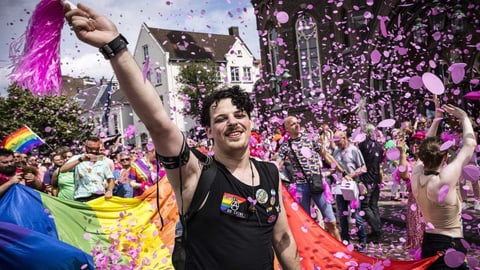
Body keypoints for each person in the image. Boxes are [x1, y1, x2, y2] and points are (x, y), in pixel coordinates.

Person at [64, 4, 300, 269]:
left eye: (239, 115)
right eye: (221, 119)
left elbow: (282, 238)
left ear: (250, 121)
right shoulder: (196, 173)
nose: (233, 122)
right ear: (209, 131)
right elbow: (159, 124)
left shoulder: (270, 173)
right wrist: (115, 46)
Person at [411, 104, 476, 269]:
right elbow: (470, 145)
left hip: (430, 243)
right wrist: (464, 117)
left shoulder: (416, 176)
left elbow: (425, 145)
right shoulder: (444, 180)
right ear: (445, 157)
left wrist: (437, 119)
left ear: (422, 155)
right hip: (449, 245)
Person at [276, 116, 341, 240]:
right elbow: (278, 163)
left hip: (317, 183)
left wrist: (342, 172)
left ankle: (341, 251)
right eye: (293, 124)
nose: (297, 125)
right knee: (305, 223)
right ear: (287, 128)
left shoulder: (310, 140)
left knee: (331, 222)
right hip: (301, 187)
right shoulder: (286, 146)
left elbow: (326, 155)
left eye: (297, 122)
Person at [331, 129, 367, 250]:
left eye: (338, 141)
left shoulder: (354, 150)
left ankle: (362, 242)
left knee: (356, 215)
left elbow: (363, 168)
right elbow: (334, 168)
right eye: (335, 142)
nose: (336, 144)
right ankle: (345, 240)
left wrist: (350, 175)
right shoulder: (335, 151)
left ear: (344, 138)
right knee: (341, 215)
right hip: (340, 187)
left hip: (353, 186)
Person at [59, 136, 115, 202]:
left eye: (96, 149)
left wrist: (109, 190)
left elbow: (110, 179)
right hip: (82, 197)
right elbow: (62, 170)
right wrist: (80, 160)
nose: (93, 151)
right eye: (90, 149)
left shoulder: (102, 160)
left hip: (99, 197)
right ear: (86, 147)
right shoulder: (78, 158)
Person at [358, 123, 384, 243]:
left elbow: (361, 162)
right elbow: (379, 162)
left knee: (365, 206)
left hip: (367, 178)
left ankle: (377, 231)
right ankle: (376, 232)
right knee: (373, 205)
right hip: (376, 178)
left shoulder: (363, 145)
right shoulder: (379, 145)